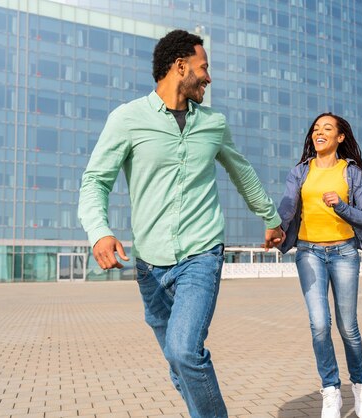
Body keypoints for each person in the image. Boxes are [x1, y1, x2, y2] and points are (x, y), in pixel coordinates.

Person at [78, 29, 284, 418]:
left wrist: (270, 218)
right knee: (179, 365)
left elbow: (243, 173)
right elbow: (95, 181)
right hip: (150, 264)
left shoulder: (213, 123)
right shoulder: (127, 119)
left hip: (201, 254)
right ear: (180, 66)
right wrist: (99, 231)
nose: (208, 77)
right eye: (204, 68)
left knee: (184, 350)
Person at [278, 113, 362, 418]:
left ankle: (359, 384)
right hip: (309, 253)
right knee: (320, 325)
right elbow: (286, 208)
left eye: (327, 129)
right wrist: (275, 228)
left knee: (348, 327)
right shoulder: (299, 172)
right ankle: (331, 390)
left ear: (340, 138)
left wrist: (341, 205)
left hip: (345, 252)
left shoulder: (352, 174)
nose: (319, 133)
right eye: (316, 130)